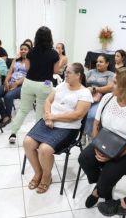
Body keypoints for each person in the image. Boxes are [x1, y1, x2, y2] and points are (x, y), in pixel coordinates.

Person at [78, 67, 126, 208]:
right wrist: (97, 144)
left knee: (109, 172)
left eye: (116, 82)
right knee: (84, 159)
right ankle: (102, 185)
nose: (111, 84)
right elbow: (96, 124)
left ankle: (97, 191)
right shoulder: (107, 98)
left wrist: (113, 156)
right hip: (105, 140)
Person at [23, 63, 93, 193]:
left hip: (68, 128)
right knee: (27, 142)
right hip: (49, 121)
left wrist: (53, 117)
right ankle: (38, 173)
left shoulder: (84, 93)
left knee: (45, 149)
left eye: (69, 72)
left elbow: (76, 115)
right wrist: (48, 117)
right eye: (65, 72)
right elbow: (48, 101)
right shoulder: (61, 86)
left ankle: (46, 176)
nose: (65, 74)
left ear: (79, 75)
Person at [8, 26, 60, 144]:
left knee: (23, 110)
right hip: (45, 84)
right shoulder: (54, 53)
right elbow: (56, 71)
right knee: (40, 112)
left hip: (29, 83)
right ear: (50, 38)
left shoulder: (31, 51)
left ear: (36, 37)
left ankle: (13, 133)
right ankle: (37, 137)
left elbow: (27, 68)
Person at [0, 43, 30, 127]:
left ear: (29, 51)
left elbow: (28, 75)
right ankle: (4, 115)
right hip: (10, 82)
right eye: (21, 49)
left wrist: (16, 83)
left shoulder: (31, 61)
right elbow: (10, 72)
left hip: (22, 85)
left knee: (8, 96)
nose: (23, 51)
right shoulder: (16, 60)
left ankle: (8, 116)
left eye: (25, 49)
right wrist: (6, 81)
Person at [84, 54, 114, 139]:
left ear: (107, 63)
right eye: (97, 61)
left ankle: (89, 135)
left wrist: (94, 89)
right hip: (87, 96)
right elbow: (81, 81)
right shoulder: (91, 72)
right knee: (81, 113)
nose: (98, 63)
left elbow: (109, 88)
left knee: (92, 115)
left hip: (102, 99)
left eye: (101, 62)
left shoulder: (110, 74)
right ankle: (83, 134)